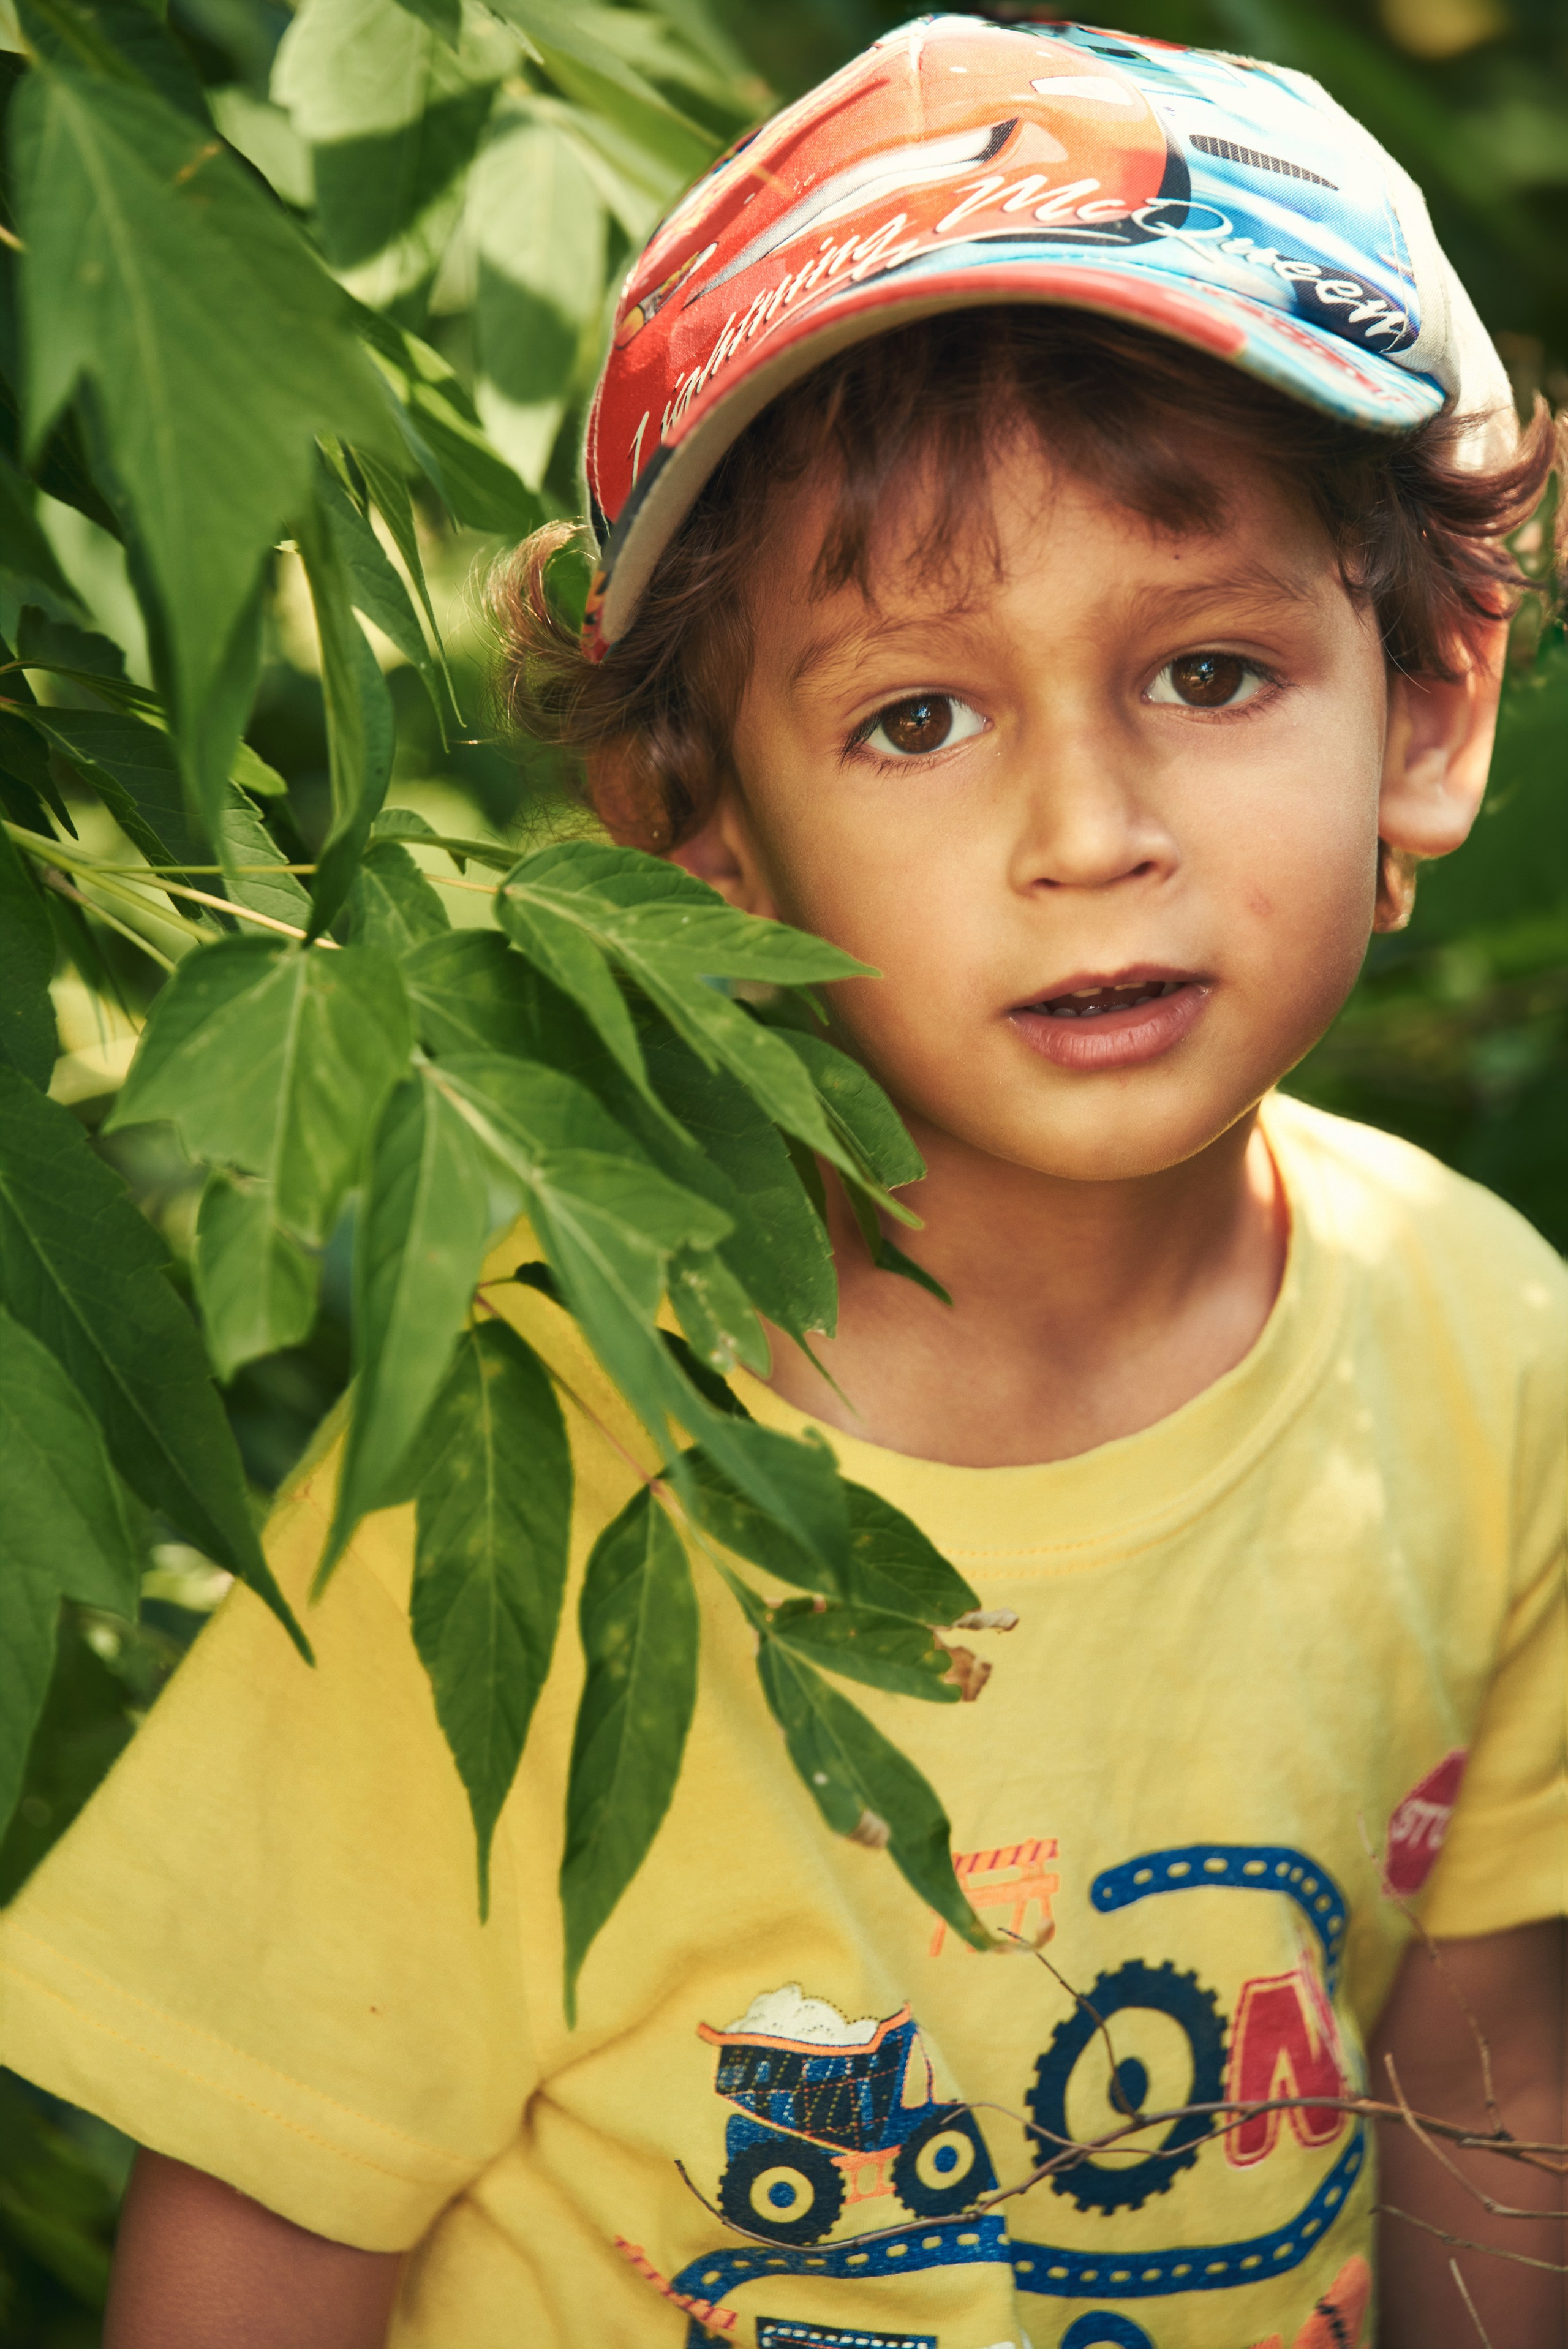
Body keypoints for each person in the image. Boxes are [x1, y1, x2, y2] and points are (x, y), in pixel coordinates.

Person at [2, 16, 1564, 2349]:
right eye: (913, 717)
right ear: (707, 830)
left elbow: (1482, 2074)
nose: (1088, 831)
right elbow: (257, 2255)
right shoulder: (536, 1475)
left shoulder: (1488, 1342)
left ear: (1430, 702)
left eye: (1213, 670)